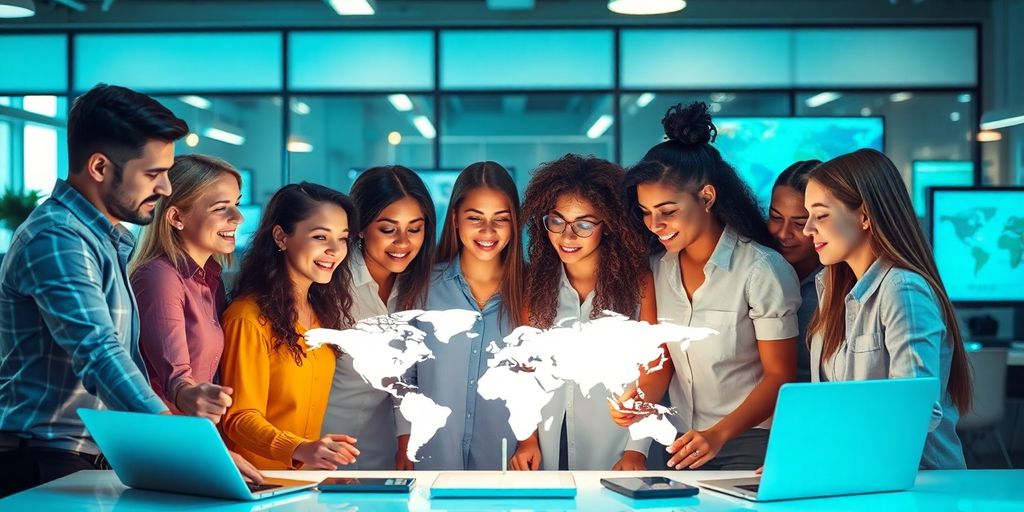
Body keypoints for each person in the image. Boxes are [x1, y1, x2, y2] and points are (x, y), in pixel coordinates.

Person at [0, 85, 247, 498]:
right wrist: (187, 448)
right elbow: (99, 354)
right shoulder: (59, 239)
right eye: (153, 174)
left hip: (90, 458)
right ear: (99, 167)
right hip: (45, 461)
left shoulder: (107, 241)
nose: (167, 188)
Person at [611, 102, 800, 471]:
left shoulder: (761, 269)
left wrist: (718, 435)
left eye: (667, 210)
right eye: (646, 212)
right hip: (683, 444)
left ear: (707, 197)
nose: (655, 224)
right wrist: (637, 404)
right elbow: (661, 364)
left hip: (751, 444)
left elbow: (780, 377)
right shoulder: (657, 269)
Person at [802, 148, 972, 470]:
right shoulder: (830, 288)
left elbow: (915, 410)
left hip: (918, 482)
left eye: (821, 215)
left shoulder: (902, 290)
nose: (807, 228)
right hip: (862, 474)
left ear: (865, 215)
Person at [510, 154, 657, 471]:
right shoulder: (535, 285)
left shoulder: (640, 284)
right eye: (557, 220)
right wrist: (527, 440)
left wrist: (636, 450)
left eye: (584, 224)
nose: (567, 236)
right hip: (548, 445)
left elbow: (655, 368)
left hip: (616, 445)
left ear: (610, 225)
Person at [219, 183, 361, 470]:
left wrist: (317, 464)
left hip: (298, 483)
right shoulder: (247, 317)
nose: (334, 250)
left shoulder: (321, 314)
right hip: (254, 484)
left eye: (342, 239)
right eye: (320, 236)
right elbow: (239, 418)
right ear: (281, 237)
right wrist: (300, 449)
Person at [396, 161, 526, 470]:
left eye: (501, 219)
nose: (487, 231)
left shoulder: (534, 293)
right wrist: (404, 444)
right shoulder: (421, 288)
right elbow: (405, 376)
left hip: (509, 467)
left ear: (515, 224)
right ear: (455, 219)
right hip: (431, 461)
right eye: (475, 218)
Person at [322, 165, 436, 470]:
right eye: (388, 229)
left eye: (415, 229)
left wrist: (406, 441)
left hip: (386, 454)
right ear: (359, 226)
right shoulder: (329, 282)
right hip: (323, 452)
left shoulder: (422, 288)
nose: (403, 242)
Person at [130, 155, 243, 421]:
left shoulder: (210, 280)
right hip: (165, 439)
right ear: (176, 217)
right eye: (221, 208)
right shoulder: (159, 276)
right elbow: (177, 381)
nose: (238, 217)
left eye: (236, 204)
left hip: (195, 434)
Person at [767, 160, 824, 382]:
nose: (783, 233)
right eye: (775, 217)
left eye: (800, 223)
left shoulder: (841, 282)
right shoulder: (756, 267)